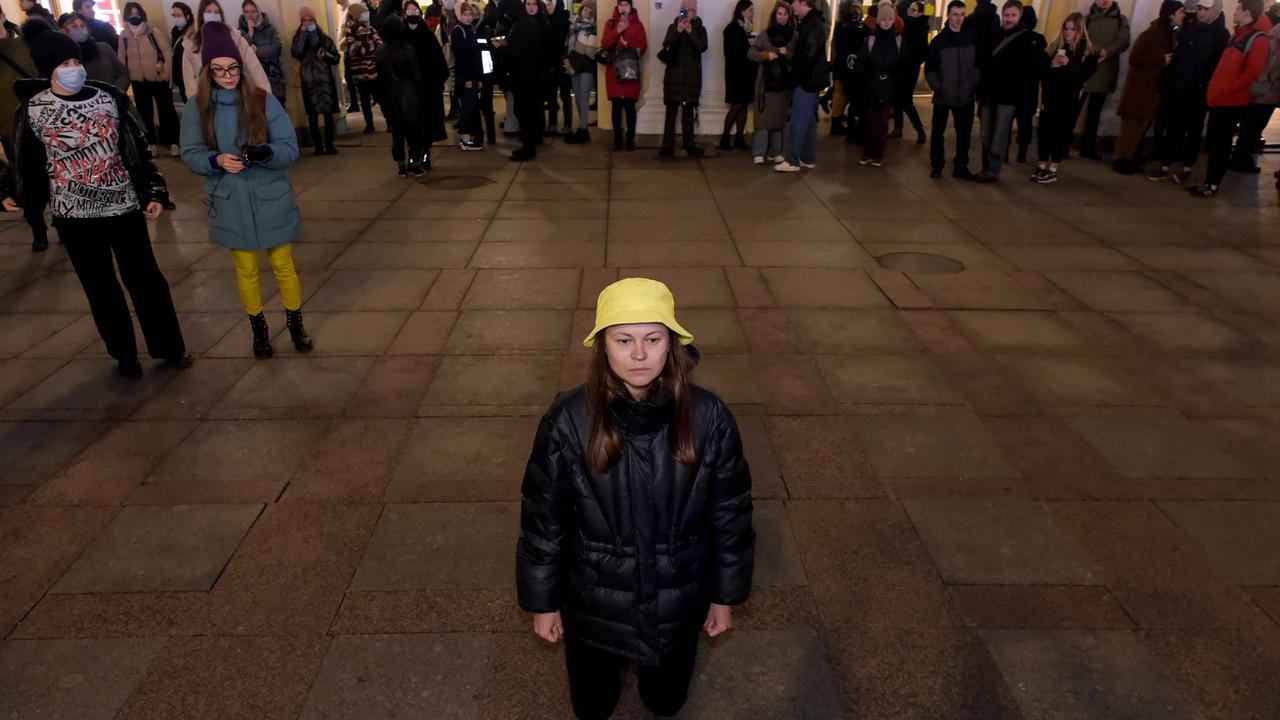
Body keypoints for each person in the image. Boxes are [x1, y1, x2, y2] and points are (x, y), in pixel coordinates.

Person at [517, 277, 754, 720]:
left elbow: (730, 515)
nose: (639, 354)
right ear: (602, 346)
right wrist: (543, 601)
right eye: (624, 340)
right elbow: (543, 518)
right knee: (593, 703)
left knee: (666, 701)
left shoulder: (709, 417)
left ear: (672, 345)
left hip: (677, 601)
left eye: (653, 339)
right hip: (592, 605)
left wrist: (725, 596)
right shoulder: (569, 419)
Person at [8, 20, 188, 377]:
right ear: (48, 70)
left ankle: (169, 346)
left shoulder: (110, 98)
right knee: (101, 288)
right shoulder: (32, 110)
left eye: (75, 62)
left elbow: (137, 147)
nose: (73, 70)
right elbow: (25, 163)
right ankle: (124, 354)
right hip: (74, 217)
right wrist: (21, 200)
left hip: (123, 207)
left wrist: (153, 189)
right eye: (63, 65)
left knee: (146, 280)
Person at [180, 21, 311, 357]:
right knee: (246, 270)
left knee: (284, 266)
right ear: (208, 72)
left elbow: (289, 147)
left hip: (269, 195)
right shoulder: (197, 109)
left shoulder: (262, 101)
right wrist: (216, 160)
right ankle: (260, 332)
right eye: (219, 69)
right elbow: (190, 153)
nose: (228, 75)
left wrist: (266, 153)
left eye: (233, 68)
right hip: (231, 199)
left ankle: (296, 325)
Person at [1190, 0, 1272, 196]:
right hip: (1220, 98)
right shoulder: (1238, 35)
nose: (1234, 11)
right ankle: (1209, 181)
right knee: (1215, 142)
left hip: (1231, 101)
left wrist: (1227, 89)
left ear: (1246, 12)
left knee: (1221, 144)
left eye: (1237, 8)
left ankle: (1212, 184)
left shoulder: (1257, 39)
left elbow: (1251, 72)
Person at [1150, 0, 1228, 183]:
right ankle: (1165, 164)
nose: (1201, 13)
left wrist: (1204, 85)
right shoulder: (1191, 28)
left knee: (1194, 129)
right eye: (1200, 8)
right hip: (1180, 87)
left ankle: (1187, 167)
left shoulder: (1221, 35)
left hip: (1199, 91)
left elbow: (1215, 64)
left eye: (1206, 9)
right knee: (1173, 127)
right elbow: (1180, 56)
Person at [1112, 0, 1183, 173]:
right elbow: (1134, 58)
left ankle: (1130, 157)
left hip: (1151, 91)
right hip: (1139, 90)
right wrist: (1161, 60)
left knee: (1139, 128)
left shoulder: (1170, 34)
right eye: (1180, 12)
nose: (1183, 15)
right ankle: (1122, 159)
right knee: (1131, 127)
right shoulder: (1152, 34)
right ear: (1171, 14)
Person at [973, 0, 1036, 182]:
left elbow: (1027, 73)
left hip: (1007, 98)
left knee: (999, 136)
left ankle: (992, 171)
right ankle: (986, 166)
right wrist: (981, 92)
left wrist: (1021, 100)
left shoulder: (1025, 39)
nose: (1009, 19)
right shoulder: (995, 36)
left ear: (1019, 16)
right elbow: (984, 65)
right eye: (1007, 15)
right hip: (988, 96)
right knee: (986, 134)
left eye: (1013, 15)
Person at [1033, 11, 1096, 183]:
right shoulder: (1054, 47)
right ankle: (1042, 164)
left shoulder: (1086, 52)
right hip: (1050, 98)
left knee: (1060, 133)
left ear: (1080, 31)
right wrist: (1051, 66)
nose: (1069, 33)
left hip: (1068, 100)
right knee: (1045, 131)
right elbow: (1039, 69)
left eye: (1073, 30)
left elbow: (1082, 77)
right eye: (1066, 29)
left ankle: (1053, 167)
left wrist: (1069, 66)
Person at [0, 28, 44, 251]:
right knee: (25, 181)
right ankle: (38, 229)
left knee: (52, 176)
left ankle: (64, 222)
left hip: (40, 121)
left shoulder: (25, 45)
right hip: (9, 129)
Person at [925, 0, 978, 179]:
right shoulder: (939, 42)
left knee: (964, 134)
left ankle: (961, 166)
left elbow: (977, 65)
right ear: (948, 15)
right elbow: (930, 68)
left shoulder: (971, 38)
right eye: (955, 14)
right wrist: (938, 88)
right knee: (938, 133)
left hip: (965, 95)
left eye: (962, 15)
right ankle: (937, 165)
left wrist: (972, 85)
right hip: (943, 95)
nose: (958, 19)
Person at [119, 3, 180, 157]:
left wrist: (165, 75)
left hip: (158, 78)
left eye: (137, 14)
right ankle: (151, 143)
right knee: (144, 113)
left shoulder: (153, 32)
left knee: (167, 110)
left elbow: (167, 54)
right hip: (138, 81)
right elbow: (121, 59)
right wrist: (128, 78)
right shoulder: (124, 37)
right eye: (131, 15)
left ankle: (174, 142)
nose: (134, 18)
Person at [775, 0, 828, 171]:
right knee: (810, 121)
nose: (792, 8)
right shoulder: (814, 23)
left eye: (794, 4)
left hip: (806, 81)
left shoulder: (812, 25)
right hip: (812, 80)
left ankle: (793, 160)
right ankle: (807, 157)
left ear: (803, 2)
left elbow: (808, 55)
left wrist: (797, 75)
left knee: (798, 121)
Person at [181, 0, 269, 98]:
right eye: (209, 12)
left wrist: (266, 99)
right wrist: (196, 106)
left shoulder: (235, 37)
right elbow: (189, 81)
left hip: (238, 96)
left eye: (217, 12)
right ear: (201, 15)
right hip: (209, 99)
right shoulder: (191, 44)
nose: (213, 15)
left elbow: (256, 70)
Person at [1077, 0, 1131, 159]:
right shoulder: (1086, 19)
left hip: (1105, 70)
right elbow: (1081, 38)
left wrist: (1108, 52)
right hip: (1085, 69)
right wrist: (1098, 50)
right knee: (1074, 110)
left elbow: (1124, 41)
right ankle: (1063, 145)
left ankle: (1087, 147)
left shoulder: (1121, 19)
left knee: (1094, 113)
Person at [1229, 3, 1280, 171]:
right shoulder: (1273, 33)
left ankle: (1241, 158)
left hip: (1264, 85)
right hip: (1266, 86)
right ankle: (1242, 159)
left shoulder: (1267, 29)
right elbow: (1270, 60)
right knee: (1254, 125)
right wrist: (1268, 79)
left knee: (1251, 125)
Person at [377, 16, 428, 175]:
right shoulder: (407, 49)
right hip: (409, 93)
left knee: (397, 133)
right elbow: (417, 74)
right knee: (414, 132)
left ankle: (400, 166)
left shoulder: (380, 51)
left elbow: (380, 76)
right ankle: (415, 162)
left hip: (390, 95)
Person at [659, 0, 708, 157]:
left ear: (695, 12)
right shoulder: (673, 27)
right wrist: (678, 31)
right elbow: (666, 44)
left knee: (688, 113)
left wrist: (690, 32)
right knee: (671, 113)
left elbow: (701, 47)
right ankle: (667, 146)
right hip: (674, 77)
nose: (686, 12)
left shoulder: (700, 29)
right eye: (683, 9)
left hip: (691, 78)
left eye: (690, 9)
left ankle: (689, 144)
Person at [858, 1, 905, 167]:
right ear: (878, 20)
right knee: (870, 121)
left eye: (889, 19)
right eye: (883, 19)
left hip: (889, 88)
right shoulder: (870, 40)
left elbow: (903, 65)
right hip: (872, 87)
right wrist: (870, 80)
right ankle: (867, 153)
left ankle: (878, 154)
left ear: (893, 20)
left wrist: (893, 82)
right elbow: (862, 63)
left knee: (883, 123)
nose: (886, 22)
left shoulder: (899, 41)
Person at [748, 0, 795, 164]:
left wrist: (787, 53)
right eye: (779, 13)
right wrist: (767, 55)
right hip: (766, 83)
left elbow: (798, 58)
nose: (782, 17)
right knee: (763, 118)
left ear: (789, 16)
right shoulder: (765, 34)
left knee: (779, 119)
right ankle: (759, 151)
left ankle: (775, 152)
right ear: (774, 15)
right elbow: (751, 52)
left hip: (783, 83)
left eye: (785, 14)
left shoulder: (793, 36)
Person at [404, 0, 450, 158]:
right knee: (411, 123)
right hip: (408, 88)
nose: (412, 14)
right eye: (409, 11)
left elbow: (438, 60)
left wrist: (437, 82)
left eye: (415, 11)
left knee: (427, 122)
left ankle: (425, 154)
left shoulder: (427, 35)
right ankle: (413, 153)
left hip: (428, 87)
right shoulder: (401, 35)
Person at [505, 0, 547, 161]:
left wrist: (503, 48)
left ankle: (528, 147)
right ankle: (528, 144)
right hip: (529, 75)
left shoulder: (523, 25)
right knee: (527, 110)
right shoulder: (527, 23)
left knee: (524, 111)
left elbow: (519, 52)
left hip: (525, 76)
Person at [600, 0, 644, 151]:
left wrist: (628, 45)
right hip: (614, 72)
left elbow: (642, 47)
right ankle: (617, 141)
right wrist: (617, 30)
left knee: (630, 107)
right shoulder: (611, 23)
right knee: (617, 107)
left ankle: (630, 140)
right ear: (617, 7)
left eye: (626, 5)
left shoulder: (638, 24)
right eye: (621, 5)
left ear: (631, 7)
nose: (623, 8)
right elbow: (605, 43)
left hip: (631, 71)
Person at [59, 12, 130, 92]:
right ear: (64, 31)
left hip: (112, 98)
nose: (80, 29)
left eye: (82, 26)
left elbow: (123, 74)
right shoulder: (62, 56)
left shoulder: (103, 48)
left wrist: (114, 91)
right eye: (74, 26)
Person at [1010, 5, 1045, 163]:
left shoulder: (1013, 37)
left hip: (1013, 86)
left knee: (1008, 119)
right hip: (1030, 87)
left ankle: (1003, 152)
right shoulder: (1039, 40)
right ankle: (1022, 152)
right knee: (1025, 123)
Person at [830, 0, 868, 140]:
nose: (856, 14)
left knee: (842, 96)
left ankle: (839, 121)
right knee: (840, 96)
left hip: (849, 67)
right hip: (844, 67)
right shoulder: (845, 27)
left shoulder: (846, 27)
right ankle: (836, 123)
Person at [890, 0, 927, 143]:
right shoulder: (909, 25)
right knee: (897, 99)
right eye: (910, 9)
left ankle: (919, 129)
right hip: (902, 68)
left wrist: (911, 62)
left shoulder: (918, 28)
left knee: (905, 101)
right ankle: (898, 128)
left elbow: (921, 51)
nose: (909, 12)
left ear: (920, 13)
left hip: (910, 70)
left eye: (913, 10)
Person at [721, 0, 755, 151]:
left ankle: (740, 137)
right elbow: (735, 53)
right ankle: (725, 136)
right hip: (736, 73)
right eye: (750, 10)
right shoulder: (733, 29)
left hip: (746, 73)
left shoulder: (746, 28)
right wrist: (750, 46)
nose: (752, 13)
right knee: (737, 105)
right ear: (742, 11)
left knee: (744, 105)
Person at [341, 3, 380, 133]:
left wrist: (362, 45)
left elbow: (379, 44)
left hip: (373, 71)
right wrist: (368, 46)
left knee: (380, 97)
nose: (366, 15)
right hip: (360, 73)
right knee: (364, 101)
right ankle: (369, 124)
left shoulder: (371, 28)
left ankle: (390, 121)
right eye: (363, 12)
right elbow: (352, 50)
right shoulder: (350, 31)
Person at [563, 0, 597, 144]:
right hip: (572, 66)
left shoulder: (593, 28)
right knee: (577, 98)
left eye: (589, 9)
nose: (586, 10)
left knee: (583, 98)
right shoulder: (573, 26)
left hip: (585, 68)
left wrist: (574, 66)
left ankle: (584, 130)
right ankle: (581, 127)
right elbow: (567, 46)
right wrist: (566, 61)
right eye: (584, 7)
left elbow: (590, 53)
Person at [238, 0, 285, 104]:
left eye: (253, 11)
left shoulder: (270, 29)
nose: (250, 15)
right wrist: (250, 33)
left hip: (273, 78)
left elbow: (277, 48)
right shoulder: (239, 33)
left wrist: (257, 51)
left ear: (258, 11)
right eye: (246, 12)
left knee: (278, 110)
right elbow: (240, 52)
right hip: (252, 81)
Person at [451, 0, 483, 150]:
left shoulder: (468, 29)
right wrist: (468, 78)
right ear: (459, 15)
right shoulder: (459, 31)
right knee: (467, 109)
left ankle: (466, 137)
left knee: (470, 107)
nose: (468, 17)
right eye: (465, 14)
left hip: (471, 76)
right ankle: (465, 139)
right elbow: (462, 57)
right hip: (466, 77)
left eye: (470, 14)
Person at [545, 0, 573, 136]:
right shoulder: (545, 21)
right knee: (551, 95)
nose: (548, 6)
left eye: (550, 3)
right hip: (550, 64)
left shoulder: (564, 22)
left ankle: (567, 124)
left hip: (562, 63)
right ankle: (552, 123)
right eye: (547, 3)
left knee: (565, 95)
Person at [170, 3, 194, 102]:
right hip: (180, 78)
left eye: (178, 15)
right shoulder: (174, 33)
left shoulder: (193, 32)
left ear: (187, 16)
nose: (176, 18)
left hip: (192, 77)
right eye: (174, 16)